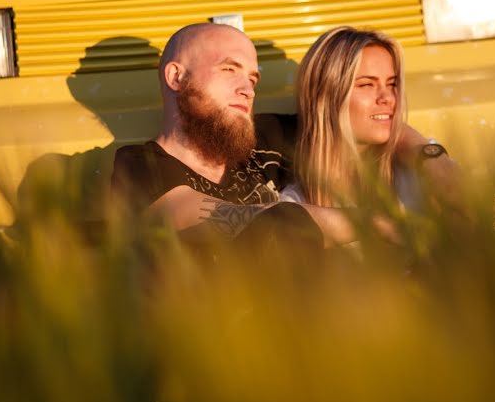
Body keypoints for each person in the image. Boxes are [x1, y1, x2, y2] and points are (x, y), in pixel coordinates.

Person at [110, 23, 355, 249]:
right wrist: (376, 224)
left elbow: (347, 120)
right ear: (177, 77)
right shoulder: (139, 167)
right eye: (229, 69)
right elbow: (260, 223)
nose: (248, 90)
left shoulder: (263, 140)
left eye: (252, 79)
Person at [281, 26, 460, 215]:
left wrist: (432, 158)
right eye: (367, 85)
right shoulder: (294, 203)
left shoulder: (418, 173)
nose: (388, 98)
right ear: (326, 97)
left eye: (392, 84)